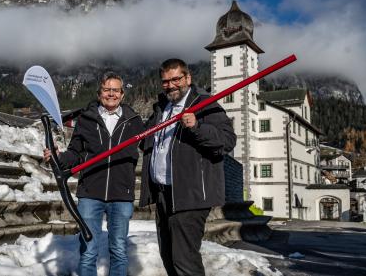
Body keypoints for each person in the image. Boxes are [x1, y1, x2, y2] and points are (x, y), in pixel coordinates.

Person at [139, 58, 236, 276]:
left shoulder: (205, 104)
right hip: (164, 192)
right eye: (166, 81)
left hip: (190, 193)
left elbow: (227, 140)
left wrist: (197, 126)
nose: (171, 85)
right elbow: (146, 139)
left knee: (184, 260)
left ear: (188, 78)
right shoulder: (162, 108)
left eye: (176, 79)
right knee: (168, 255)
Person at [43, 72, 144, 276]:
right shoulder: (87, 119)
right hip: (90, 193)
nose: (111, 94)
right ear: (99, 93)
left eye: (116, 90)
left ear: (122, 94)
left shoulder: (134, 121)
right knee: (88, 252)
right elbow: (76, 153)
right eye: (107, 90)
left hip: (121, 194)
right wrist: (58, 157)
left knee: (119, 251)